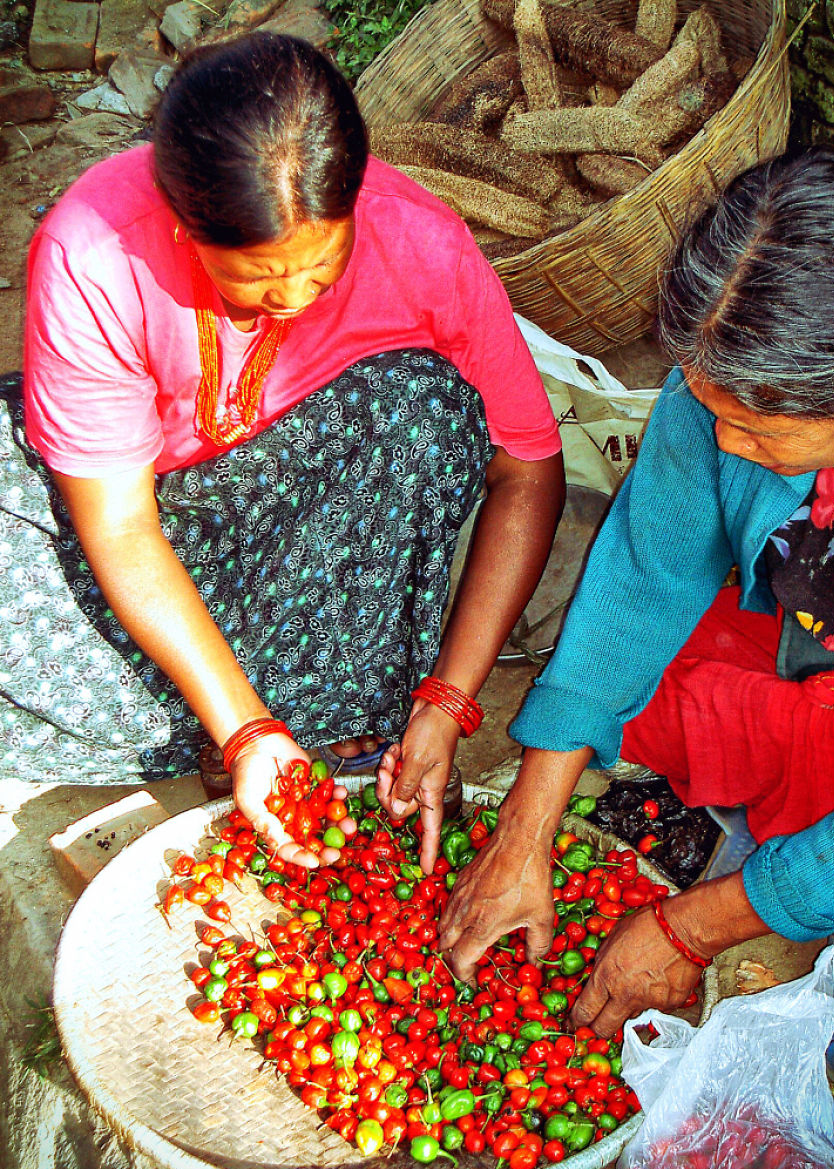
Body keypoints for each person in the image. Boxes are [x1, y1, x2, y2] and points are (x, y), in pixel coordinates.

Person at [8, 33, 564, 868]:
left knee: (422, 407)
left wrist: (450, 699)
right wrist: (247, 728)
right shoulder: (94, 248)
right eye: (261, 281)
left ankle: (302, 711)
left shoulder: (421, 242)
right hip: (140, 513)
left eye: (324, 266)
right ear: (184, 227)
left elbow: (528, 468)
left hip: (310, 531)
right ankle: (249, 717)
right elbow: (121, 529)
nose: (297, 300)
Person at [431, 147, 834, 1033]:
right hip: (818, 627)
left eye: (755, 428)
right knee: (629, 677)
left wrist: (690, 928)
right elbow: (646, 575)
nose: (724, 439)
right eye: (713, 409)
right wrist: (526, 827)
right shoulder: (717, 397)